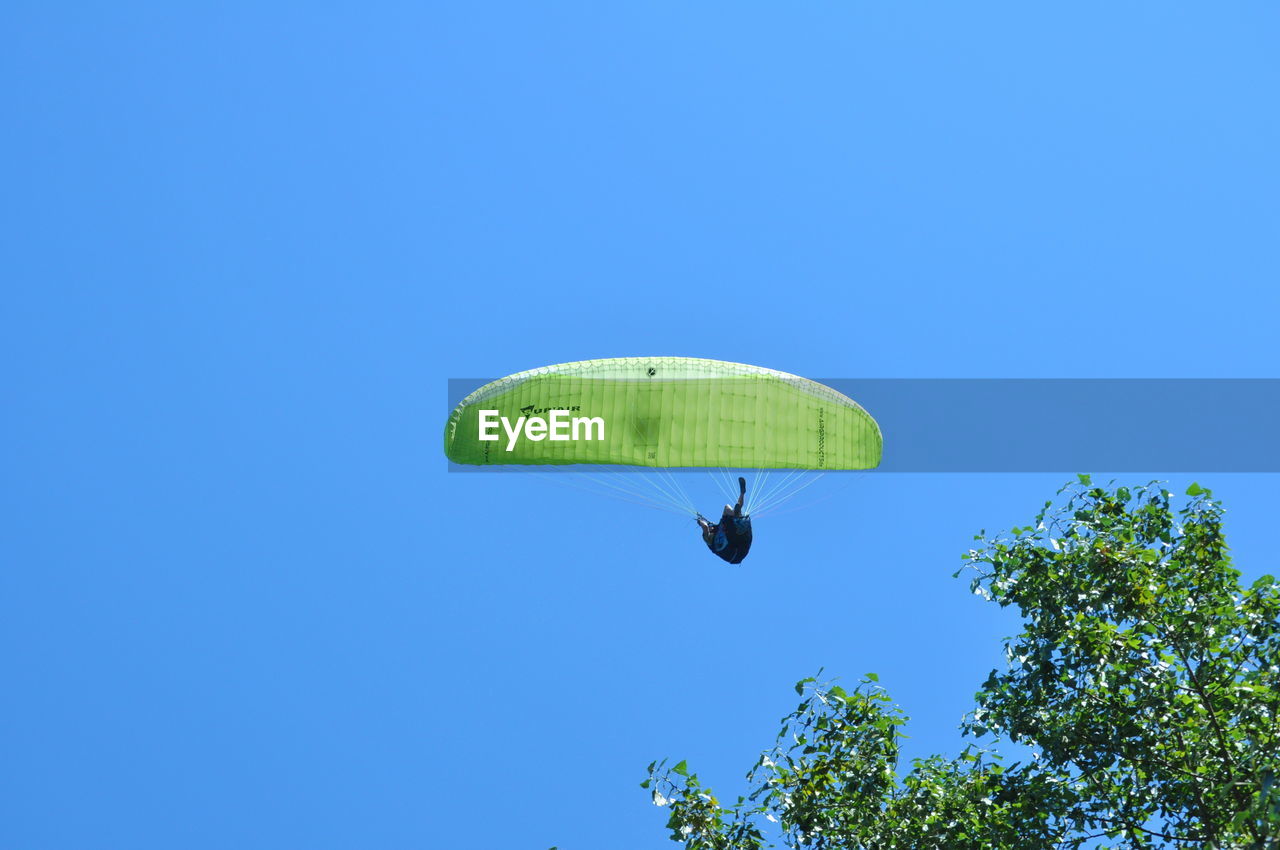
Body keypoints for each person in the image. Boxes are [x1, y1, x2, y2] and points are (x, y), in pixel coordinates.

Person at [697, 476, 753, 564]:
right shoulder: (710, 541)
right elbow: (704, 526)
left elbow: (707, 527)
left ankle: (742, 495)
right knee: (731, 525)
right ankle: (738, 517)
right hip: (736, 551)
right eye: (710, 529)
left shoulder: (718, 529)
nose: (710, 529)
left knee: (727, 509)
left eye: (710, 528)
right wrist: (700, 521)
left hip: (738, 542)